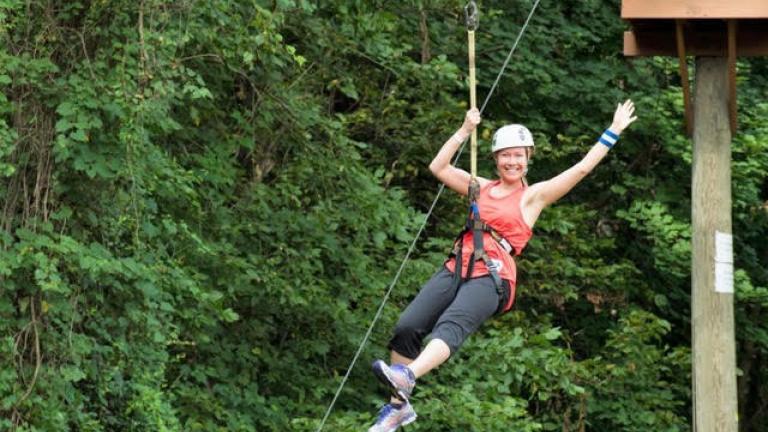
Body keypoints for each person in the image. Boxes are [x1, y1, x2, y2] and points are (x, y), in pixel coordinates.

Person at [367, 100, 637, 432]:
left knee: (451, 324)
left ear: (528, 159)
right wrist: (464, 131)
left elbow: (580, 169)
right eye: (506, 155)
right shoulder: (479, 187)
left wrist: (613, 131)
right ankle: (397, 409)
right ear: (496, 160)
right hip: (459, 265)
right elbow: (438, 167)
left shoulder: (533, 197)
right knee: (407, 326)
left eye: (518, 156)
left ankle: (407, 375)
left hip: (494, 275)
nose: (512, 161)